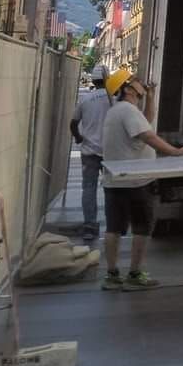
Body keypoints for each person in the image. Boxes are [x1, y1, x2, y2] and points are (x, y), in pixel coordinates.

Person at [100, 69, 183, 291]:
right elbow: (148, 136)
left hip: (115, 180)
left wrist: (151, 98)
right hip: (136, 182)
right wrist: (176, 152)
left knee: (113, 228)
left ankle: (112, 276)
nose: (141, 83)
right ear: (127, 88)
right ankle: (134, 274)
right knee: (142, 227)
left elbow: (146, 122)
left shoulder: (120, 111)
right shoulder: (127, 111)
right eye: (135, 81)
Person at [70, 64, 110, 242]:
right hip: (110, 152)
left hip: (89, 151)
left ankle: (90, 227)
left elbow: (73, 123)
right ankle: (114, 226)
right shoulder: (113, 99)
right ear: (107, 79)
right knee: (112, 189)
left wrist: (79, 138)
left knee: (89, 188)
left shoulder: (85, 100)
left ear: (93, 80)